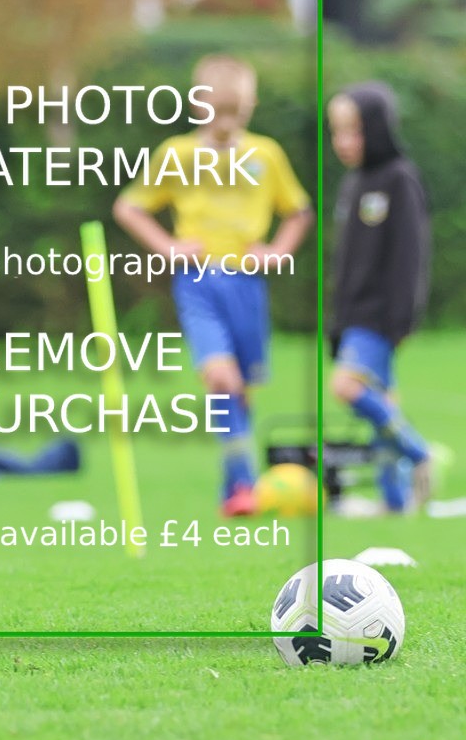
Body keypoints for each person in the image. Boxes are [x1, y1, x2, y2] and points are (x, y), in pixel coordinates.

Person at [113, 55, 313, 516]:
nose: (225, 122)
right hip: (198, 282)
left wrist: (278, 252)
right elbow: (130, 207)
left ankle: (234, 490)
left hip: (247, 284)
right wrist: (167, 247)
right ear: (197, 104)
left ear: (252, 106)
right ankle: (245, 483)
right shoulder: (176, 154)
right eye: (217, 110)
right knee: (220, 379)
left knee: (242, 389)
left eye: (236, 112)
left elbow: (298, 211)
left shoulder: (266, 155)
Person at [327, 82, 431, 512]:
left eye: (353, 130)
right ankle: (395, 499)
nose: (343, 142)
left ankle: (418, 453)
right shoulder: (353, 184)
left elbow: (410, 256)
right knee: (383, 399)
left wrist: (401, 318)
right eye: (337, 132)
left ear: (376, 128)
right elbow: (347, 263)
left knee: (346, 387)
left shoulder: (398, 179)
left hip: (379, 316)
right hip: (351, 315)